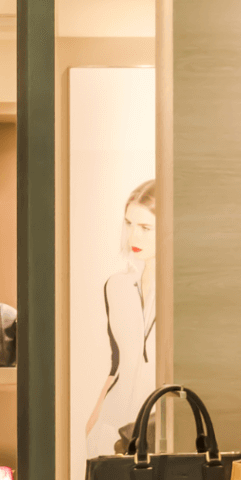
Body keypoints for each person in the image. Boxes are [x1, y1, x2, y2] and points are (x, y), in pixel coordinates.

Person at [86, 179, 157, 458]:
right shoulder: (116, 286)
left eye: (145, 228)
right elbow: (117, 362)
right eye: (129, 225)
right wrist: (92, 422)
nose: (133, 237)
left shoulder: (182, 291)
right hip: (113, 424)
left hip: (158, 424)